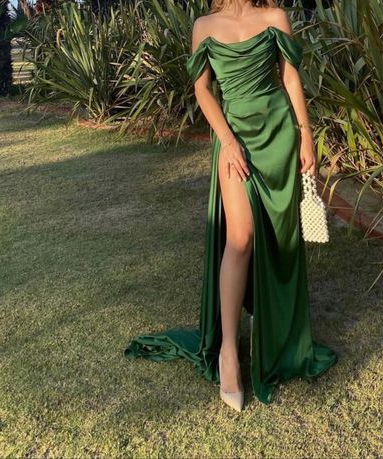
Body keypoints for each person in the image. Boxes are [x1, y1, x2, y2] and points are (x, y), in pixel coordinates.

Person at [124, 0, 338, 412]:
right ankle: (227, 351)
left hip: (279, 135)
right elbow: (202, 89)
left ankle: (275, 331)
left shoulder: (275, 18)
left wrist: (306, 135)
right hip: (234, 138)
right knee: (240, 238)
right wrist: (227, 140)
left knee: (280, 236)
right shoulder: (204, 25)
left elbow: (289, 77)